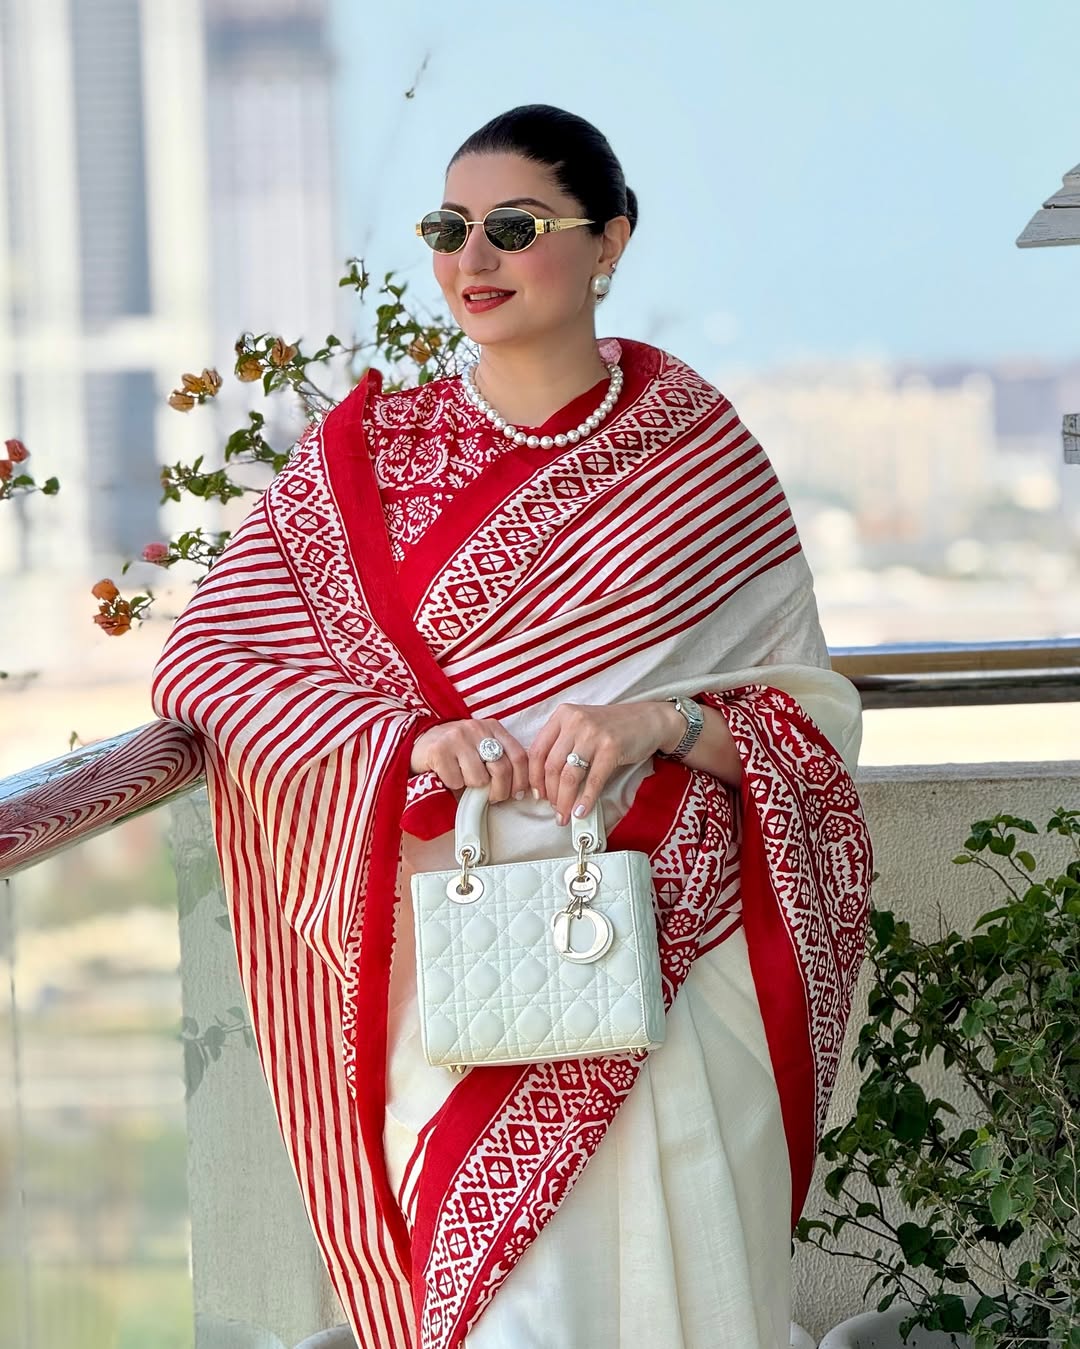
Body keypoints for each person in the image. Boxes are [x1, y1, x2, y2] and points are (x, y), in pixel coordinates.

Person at [151, 104, 873, 1349]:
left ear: (611, 242)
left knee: (689, 1276)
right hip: (463, 952)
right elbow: (206, 659)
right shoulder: (366, 456)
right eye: (448, 228)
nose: (470, 260)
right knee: (505, 1309)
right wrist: (406, 742)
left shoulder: (697, 451)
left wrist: (665, 718)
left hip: (668, 946)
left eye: (512, 227)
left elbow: (804, 707)